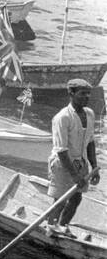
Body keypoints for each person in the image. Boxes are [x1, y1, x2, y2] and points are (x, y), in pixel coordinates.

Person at [48, 80, 100, 228]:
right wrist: (74, 175)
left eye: (88, 94)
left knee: (76, 199)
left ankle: (62, 227)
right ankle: (50, 228)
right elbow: (61, 150)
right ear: (71, 93)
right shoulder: (62, 117)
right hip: (62, 164)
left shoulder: (89, 114)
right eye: (82, 94)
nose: (87, 97)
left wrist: (94, 167)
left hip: (80, 163)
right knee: (60, 201)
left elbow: (90, 141)